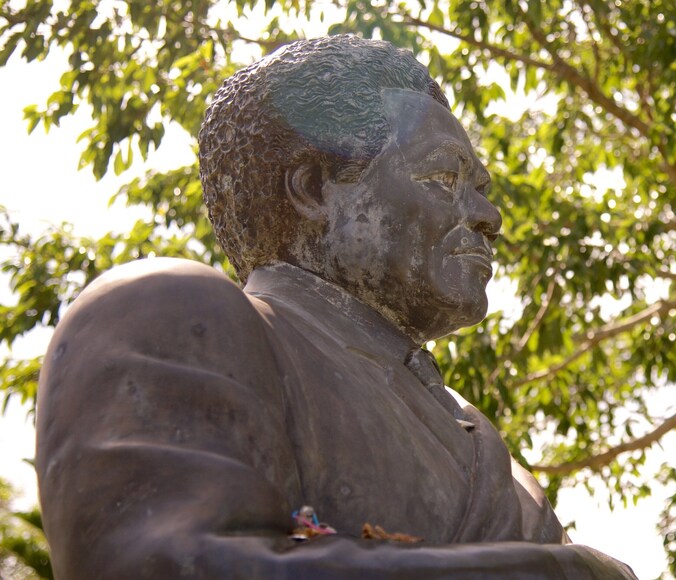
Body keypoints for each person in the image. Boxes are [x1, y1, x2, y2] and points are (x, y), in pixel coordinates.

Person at [34, 35, 635, 579]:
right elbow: (165, 564)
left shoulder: (487, 452)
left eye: (481, 189)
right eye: (444, 179)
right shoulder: (166, 311)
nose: (489, 217)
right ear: (314, 189)